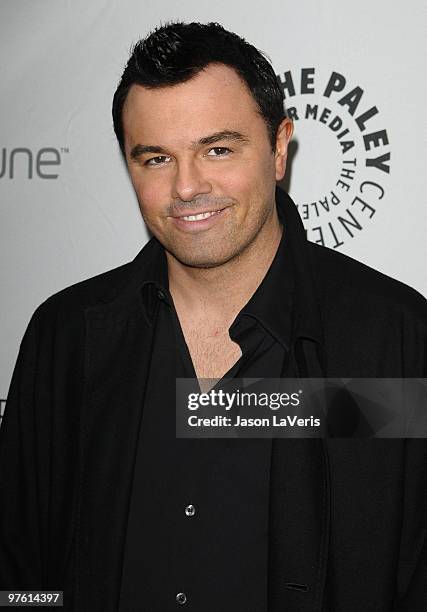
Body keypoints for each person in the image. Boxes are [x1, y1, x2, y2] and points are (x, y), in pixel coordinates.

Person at [0, 21, 426, 612]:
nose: (186, 186)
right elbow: (20, 574)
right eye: (155, 159)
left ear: (279, 148)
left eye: (217, 149)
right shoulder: (66, 336)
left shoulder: (393, 338)